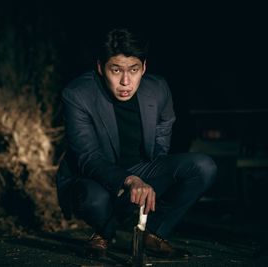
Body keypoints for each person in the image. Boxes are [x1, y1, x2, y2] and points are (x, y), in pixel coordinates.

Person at [56, 28, 217, 259]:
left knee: (203, 167)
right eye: (116, 70)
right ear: (101, 68)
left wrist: (151, 183)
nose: (125, 81)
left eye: (133, 70)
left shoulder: (158, 89)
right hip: (93, 176)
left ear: (144, 67)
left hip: (143, 169)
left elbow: (161, 147)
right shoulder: (77, 94)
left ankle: (152, 234)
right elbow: (88, 157)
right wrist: (128, 181)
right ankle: (103, 233)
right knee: (94, 200)